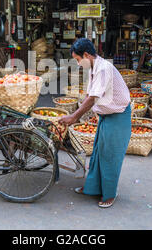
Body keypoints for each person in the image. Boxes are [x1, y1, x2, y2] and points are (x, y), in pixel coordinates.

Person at [59, 38, 131, 208]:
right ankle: (92, 188)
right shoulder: (94, 67)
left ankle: (109, 194)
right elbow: (90, 95)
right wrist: (83, 113)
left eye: (78, 60)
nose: (78, 64)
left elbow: (93, 98)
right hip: (107, 116)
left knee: (110, 156)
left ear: (86, 55)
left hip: (118, 117)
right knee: (98, 153)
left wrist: (74, 117)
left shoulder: (103, 69)